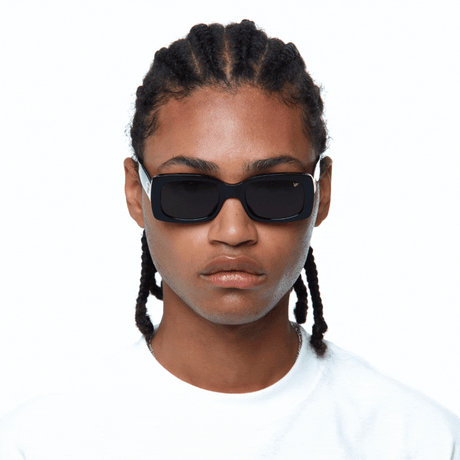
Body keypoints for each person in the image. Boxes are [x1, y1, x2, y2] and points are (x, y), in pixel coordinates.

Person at [0, 19, 459, 459]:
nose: (234, 232)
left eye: (275, 190)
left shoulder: (420, 442)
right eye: (189, 190)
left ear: (322, 193)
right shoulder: (39, 444)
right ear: (136, 193)